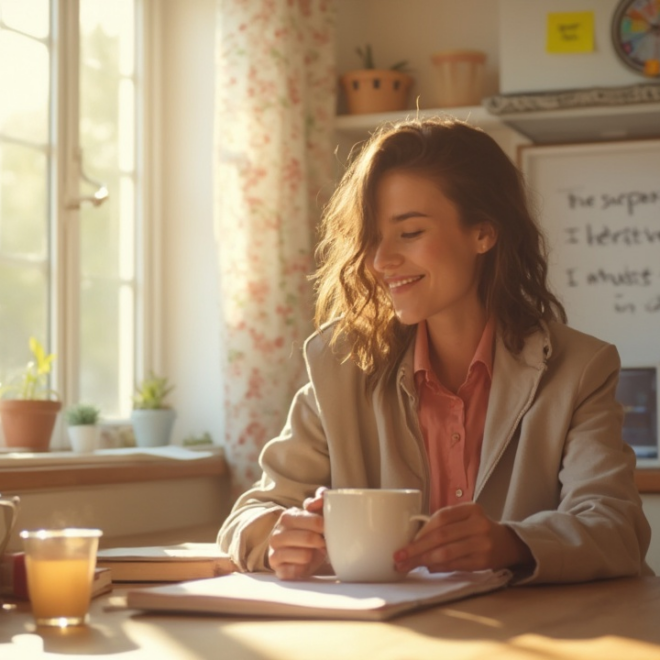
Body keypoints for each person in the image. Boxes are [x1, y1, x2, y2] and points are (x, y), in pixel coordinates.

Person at [218, 117, 652, 584]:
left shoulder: (581, 369)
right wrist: (279, 537)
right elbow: (251, 515)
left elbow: (617, 527)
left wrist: (512, 544)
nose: (381, 260)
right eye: (371, 237)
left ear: (483, 233)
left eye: (409, 233)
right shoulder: (342, 365)